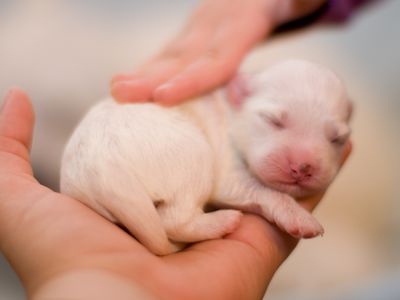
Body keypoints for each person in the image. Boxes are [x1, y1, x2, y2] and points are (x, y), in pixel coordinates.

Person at [0, 1, 353, 298]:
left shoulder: (223, 113)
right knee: (193, 156)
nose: (305, 159)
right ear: (239, 95)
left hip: (98, 179)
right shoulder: (212, 113)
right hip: (128, 156)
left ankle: (166, 219)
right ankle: (180, 220)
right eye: (275, 122)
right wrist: (278, 205)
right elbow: (226, 183)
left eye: (334, 139)